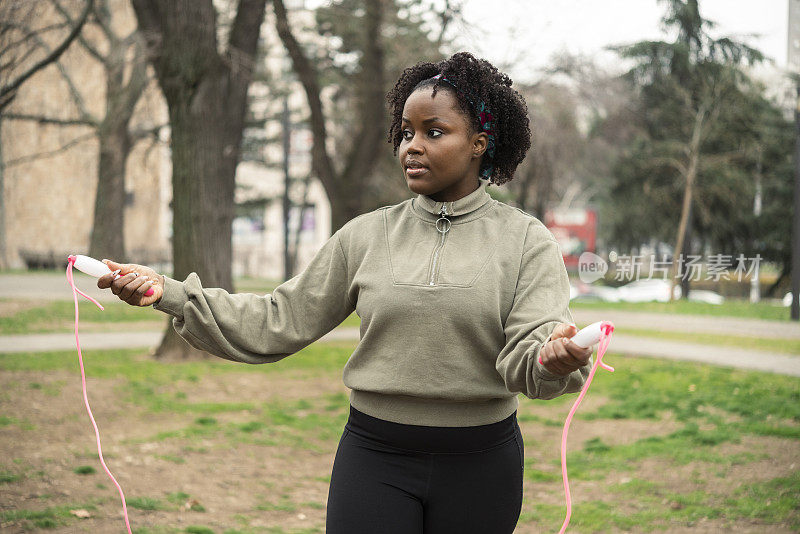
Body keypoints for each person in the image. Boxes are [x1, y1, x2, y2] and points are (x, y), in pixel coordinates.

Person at [98, 51, 594, 534]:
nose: (410, 146)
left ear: (479, 143)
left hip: (482, 464)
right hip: (375, 456)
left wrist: (554, 357)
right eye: (405, 133)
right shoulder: (365, 236)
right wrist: (171, 294)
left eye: (433, 132)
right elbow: (280, 319)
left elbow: (531, 353)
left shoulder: (527, 241)